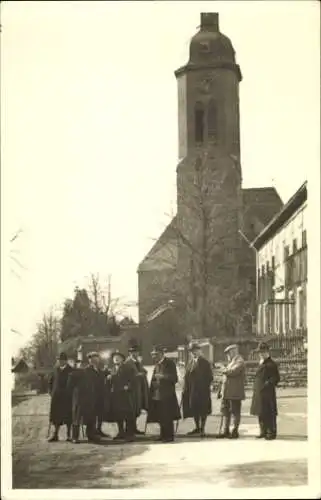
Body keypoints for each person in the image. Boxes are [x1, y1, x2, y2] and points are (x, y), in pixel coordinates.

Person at [67, 352, 106, 444]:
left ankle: (91, 435)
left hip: (93, 397)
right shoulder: (83, 370)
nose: (94, 360)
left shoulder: (99, 371)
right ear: (89, 360)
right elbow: (71, 381)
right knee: (77, 416)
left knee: (91, 417)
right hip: (81, 397)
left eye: (96, 358)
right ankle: (75, 437)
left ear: (99, 360)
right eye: (92, 359)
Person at [146, 345, 181, 443]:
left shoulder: (169, 363)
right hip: (157, 395)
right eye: (153, 355)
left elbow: (175, 378)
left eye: (156, 354)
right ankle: (162, 435)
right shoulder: (157, 365)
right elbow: (153, 379)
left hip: (167, 395)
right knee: (160, 416)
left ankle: (169, 436)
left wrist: (163, 376)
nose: (154, 357)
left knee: (167, 416)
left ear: (162, 354)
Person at [182, 342, 213, 437]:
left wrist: (204, 386)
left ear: (199, 351)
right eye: (192, 351)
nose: (194, 353)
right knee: (194, 408)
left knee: (203, 409)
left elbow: (210, 377)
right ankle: (197, 427)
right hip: (192, 390)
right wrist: (185, 387)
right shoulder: (190, 363)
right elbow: (186, 376)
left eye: (195, 350)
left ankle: (202, 428)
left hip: (202, 390)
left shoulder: (205, 362)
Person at [250, 342, 280, 440]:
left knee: (269, 413)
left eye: (263, 352)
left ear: (267, 352)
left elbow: (276, 378)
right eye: (260, 352)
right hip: (259, 392)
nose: (261, 354)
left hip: (267, 393)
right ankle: (263, 431)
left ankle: (271, 432)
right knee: (261, 412)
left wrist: (268, 384)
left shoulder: (271, 364)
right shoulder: (261, 363)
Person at [106, 350, 138, 441]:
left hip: (125, 395)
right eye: (114, 358)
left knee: (128, 415)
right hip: (115, 395)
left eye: (118, 357)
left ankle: (130, 434)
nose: (116, 359)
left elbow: (134, 380)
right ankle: (121, 432)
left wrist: (128, 386)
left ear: (122, 359)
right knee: (118, 414)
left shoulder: (128, 368)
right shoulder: (111, 369)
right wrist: (108, 379)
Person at [217, 343, 245, 439]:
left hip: (235, 393)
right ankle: (226, 431)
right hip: (227, 393)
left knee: (235, 412)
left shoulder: (239, 361)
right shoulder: (231, 362)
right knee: (225, 411)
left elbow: (232, 372)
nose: (227, 355)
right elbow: (225, 379)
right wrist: (220, 391)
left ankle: (235, 431)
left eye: (228, 353)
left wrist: (222, 368)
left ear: (234, 352)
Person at [48, 352, 73, 442]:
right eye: (59, 360)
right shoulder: (55, 369)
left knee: (68, 416)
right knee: (56, 416)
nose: (60, 362)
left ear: (66, 361)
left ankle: (69, 435)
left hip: (67, 397)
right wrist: (51, 392)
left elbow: (74, 384)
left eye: (62, 360)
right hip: (56, 397)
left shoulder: (71, 370)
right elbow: (50, 381)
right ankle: (55, 434)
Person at [124, 345, 149, 435]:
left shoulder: (137, 362)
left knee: (137, 408)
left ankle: (134, 428)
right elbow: (127, 375)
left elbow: (141, 370)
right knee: (131, 409)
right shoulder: (127, 363)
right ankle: (129, 430)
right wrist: (138, 375)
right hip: (131, 389)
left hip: (138, 388)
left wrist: (143, 372)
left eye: (136, 352)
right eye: (133, 352)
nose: (135, 353)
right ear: (130, 353)